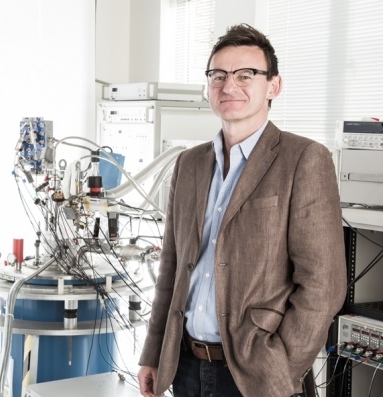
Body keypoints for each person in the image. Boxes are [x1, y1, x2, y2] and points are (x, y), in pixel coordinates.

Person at [137, 23, 347, 397]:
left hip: (254, 377)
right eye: (218, 75)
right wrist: (152, 353)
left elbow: (323, 285)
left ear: (273, 86)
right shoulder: (189, 164)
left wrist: (279, 370)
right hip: (184, 367)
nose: (228, 85)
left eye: (245, 74)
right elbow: (170, 266)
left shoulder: (304, 160)